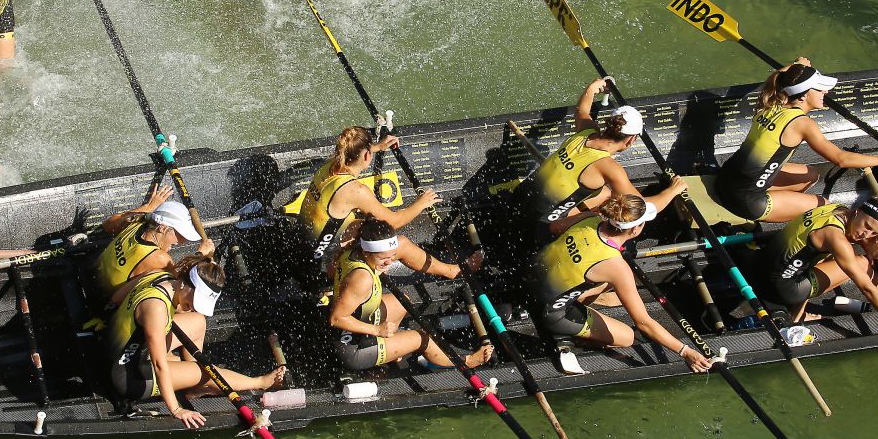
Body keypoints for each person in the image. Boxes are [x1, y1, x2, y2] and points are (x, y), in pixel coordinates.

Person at [713, 59, 878, 223]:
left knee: (812, 174)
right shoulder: (802, 123)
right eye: (821, 89)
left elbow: (776, 78)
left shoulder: (770, 102)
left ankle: (786, 206)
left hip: (725, 180)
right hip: (745, 200)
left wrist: (795, 65)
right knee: (828, 208)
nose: (826, 92)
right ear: (805, 94)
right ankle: (769, 217)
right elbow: (841, 159)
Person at [534, 195, 715, 371]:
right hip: (552, 312)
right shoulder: (617, 268)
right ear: (635, 230)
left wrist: (584, 221)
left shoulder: (591, 218)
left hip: (533, 275)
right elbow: (644, 323)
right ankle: (567, 336)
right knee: (627, 337)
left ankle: (583, 310)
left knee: (605, 282)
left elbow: (555, 227)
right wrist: (685, 351)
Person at [105, 262, 284, 429]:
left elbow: (115, 299)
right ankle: (259, 382)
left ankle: (191, 382)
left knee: (198, 321)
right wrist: (176, 410)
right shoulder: (157, 308)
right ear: (184, 284)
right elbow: (160, 366)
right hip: (129, 376)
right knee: (206, 371)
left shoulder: (160, 276)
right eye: (194, 301)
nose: (193, 307)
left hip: (120, 347)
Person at [751, 193, 878, 340]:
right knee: (860, 263)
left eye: (874, 232)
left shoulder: (837, 209)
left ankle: (798, 313)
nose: (865, 234)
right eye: (867, 226)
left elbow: (873, 247)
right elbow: (866, 288)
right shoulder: (835, 237)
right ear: (858, 211)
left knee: (825, 257)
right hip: (785, 287)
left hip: (763, 266)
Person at [328, 218, 493, 372]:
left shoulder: (352, 251)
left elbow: (332, 272)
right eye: (383, 258)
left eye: (392, 255)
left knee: (402, 301)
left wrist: (376, 267)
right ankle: (467, 361)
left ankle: (391, 350)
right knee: (422, 338)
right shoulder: (362, 278)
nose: (389, 262)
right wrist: (376, 330)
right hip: (353, 349)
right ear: (367, 252)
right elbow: (336, 319)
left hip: (361, 321)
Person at [521, 79, 688, 231]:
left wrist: (592, 89)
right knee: (613, 208)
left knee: (606, 194)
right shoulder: (609, 168)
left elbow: (581, 110)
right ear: (631, 140)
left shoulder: (586, 131)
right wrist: (674, 190)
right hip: (540, 224)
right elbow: (643, 208)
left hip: (520, 197)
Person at [298, 126, 438, 265]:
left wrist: (378, 147)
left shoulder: (330, 165)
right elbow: (393, 222)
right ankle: (452, 272)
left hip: (302, 246)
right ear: (366, 155)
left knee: (364, 223)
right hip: (323, 264)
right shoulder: (355, 191)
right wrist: (422, 203)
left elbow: (356, 154)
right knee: (400, 244)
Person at [95, 193, 214, 306]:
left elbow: (107, 225)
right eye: (180, 234)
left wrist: (148, 207)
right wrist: (200, 255)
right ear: (162, 228)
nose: (182, 241)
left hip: (92, 276)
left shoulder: (138, 222)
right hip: (102, 302)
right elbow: (179, 286)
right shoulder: (159, 258)